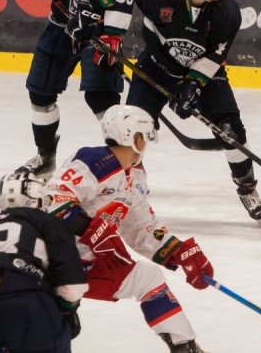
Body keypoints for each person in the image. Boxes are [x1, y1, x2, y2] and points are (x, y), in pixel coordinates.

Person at [76, 0, 261, 225]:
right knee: (131, 130)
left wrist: (193, 85)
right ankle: (130, 189)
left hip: (204, 72)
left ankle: (247, 188)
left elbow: (215, 56)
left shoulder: (227, 12)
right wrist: (90, 9)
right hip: (156, 66)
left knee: (231, 130)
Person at [43, 104, 212, 353]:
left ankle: (184, 347)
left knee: (148, 278)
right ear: (133, 138)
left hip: (88, 263)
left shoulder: (134, 177)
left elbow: (141, 228)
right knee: (49, 330)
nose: (145, 145)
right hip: (50, 260)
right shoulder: (93, 161)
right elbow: (52, 200)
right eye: (144, 137)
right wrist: (93, 231)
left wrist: (178, 252)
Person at [6, 0, 139, 182]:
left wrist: (112, 38)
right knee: (40, 92)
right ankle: (45, 157)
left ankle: (126, 166)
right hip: (61, 26)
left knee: (101, 98)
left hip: (99, 33)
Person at [0, 172, 87, 352]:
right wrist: (67, 311)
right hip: (26, 297)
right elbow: (72, 286)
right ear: (36, 196)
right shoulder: (47, 221)